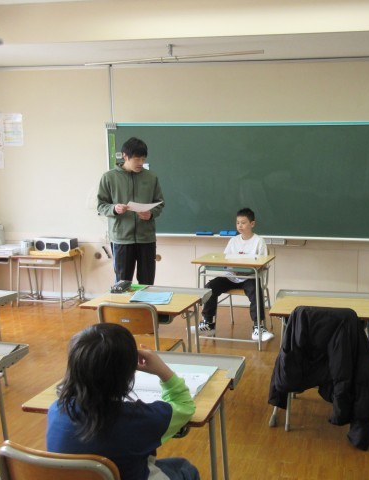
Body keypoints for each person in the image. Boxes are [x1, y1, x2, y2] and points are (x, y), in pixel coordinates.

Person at [47, 323, 199, 480]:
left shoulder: (56, 410)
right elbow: (185, 406)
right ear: (127, 372)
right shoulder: (136, 419)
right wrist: (162, 370)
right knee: (184, 468)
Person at [194, 207, 274, 342]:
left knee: (256, 290)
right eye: (237, 223)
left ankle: (258, 327)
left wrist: (248, 267)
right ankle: (208, 323)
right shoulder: (233, 240)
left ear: (252, 224)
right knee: (210, 287)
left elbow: (263, 263)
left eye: (243, 223)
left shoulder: (259, 241)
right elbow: (225, 259)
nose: (240, 226)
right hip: (231, 277)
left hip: (249, 277)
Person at [97, 137, 164, 285]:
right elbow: (101, 205)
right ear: (125, 156)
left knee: (147, 282)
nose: (141, 163)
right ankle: (122, 301)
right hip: (121, 238)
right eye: (137, 159)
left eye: (143, 159)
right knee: (122, 283)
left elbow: (159, 203)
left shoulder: (151, 177)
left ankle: (145, 302)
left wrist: (151, 214)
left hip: (146, 238)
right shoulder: (109, 177)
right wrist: (114, 208)